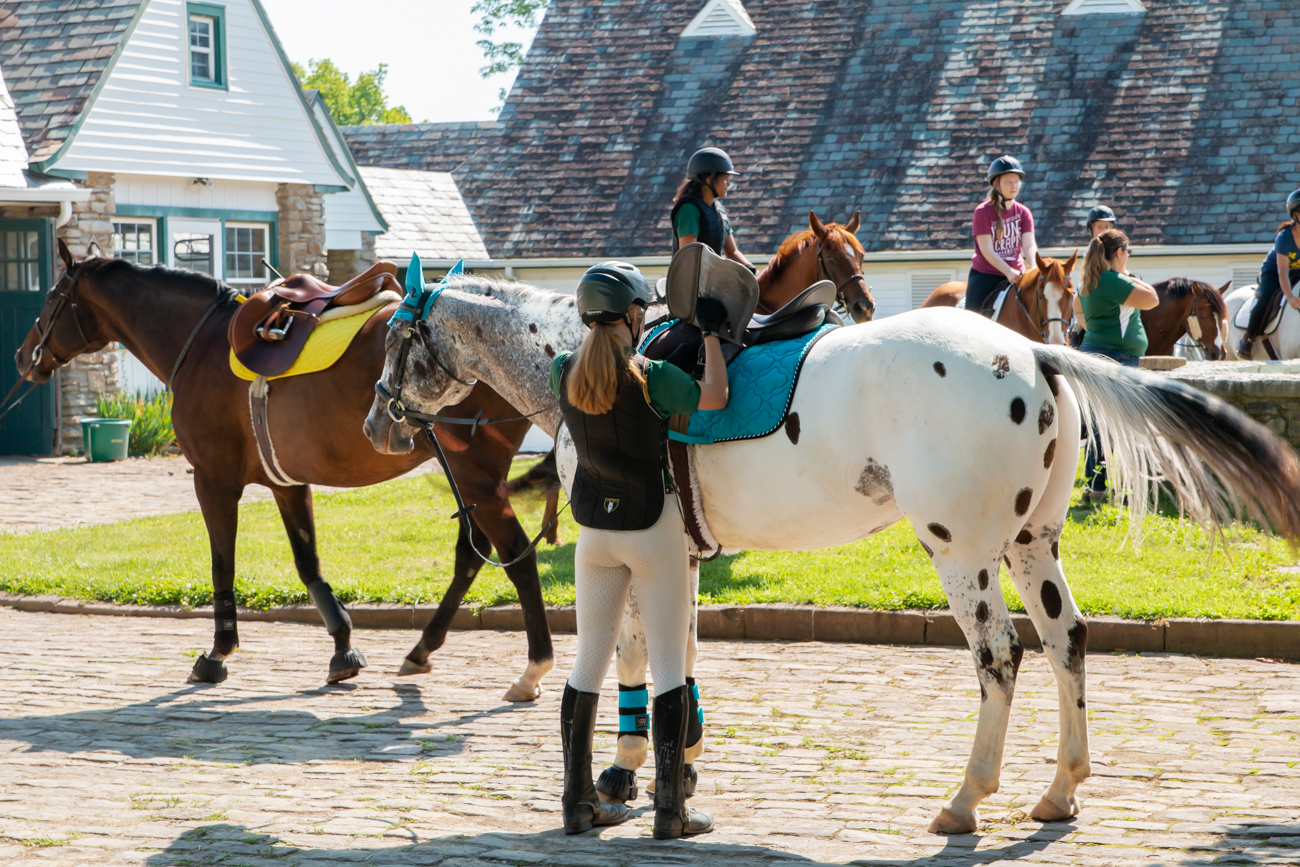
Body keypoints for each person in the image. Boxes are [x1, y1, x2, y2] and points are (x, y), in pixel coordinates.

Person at [551, 261, 727, 839]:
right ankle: (671, 811)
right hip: (653, 532)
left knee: (586, 668)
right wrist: (709, 335)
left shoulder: (562, 372)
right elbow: (715, 397)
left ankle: (579, 803)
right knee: (670, 667)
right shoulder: (653, 376)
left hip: (594, 538)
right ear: (632, 315)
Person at [1073, 229, 1160, 504]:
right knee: (1109, 426)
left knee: (1100, 424)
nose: (1128, 257)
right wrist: (1130, 277)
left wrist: (1095, 330)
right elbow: (1152, 299)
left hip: (1096, 353)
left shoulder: (1091, 278)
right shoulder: (1112, 280)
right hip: (1116, 358)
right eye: (1128, 252)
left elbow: (1077, 309)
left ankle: (1093, 487)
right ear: (1119, 253)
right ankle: (1100, 488)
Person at [966, 155, 1038, 315]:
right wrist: (1008, 272)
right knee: (971, 319)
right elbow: (986, 250)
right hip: (987, 275)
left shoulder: (1024, 212)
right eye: (1008, 182)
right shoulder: (983, 212)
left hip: (1018, 274)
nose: (1014, 186)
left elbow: (1029, 245)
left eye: (1017, 182)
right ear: (996, 184)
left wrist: (1034, 267)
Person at [1236, 189, 1300, 359]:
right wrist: (1291, 298)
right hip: (1274, 272)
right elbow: (1283, 272)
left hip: (1297, 272)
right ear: (1295, 215)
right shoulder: (1284, 237)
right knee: (1265, 298)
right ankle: (1248, 339)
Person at [671, 147, 756, 272]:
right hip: (689, 287)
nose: (729, 184)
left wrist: (753, 271)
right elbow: (689, 259)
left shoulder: (721, 211)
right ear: (709, 179)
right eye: (725, 178)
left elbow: (732, 252)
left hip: (711, 282)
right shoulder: (689, 210)